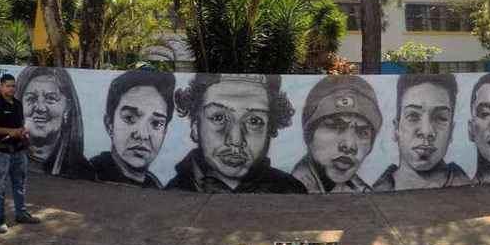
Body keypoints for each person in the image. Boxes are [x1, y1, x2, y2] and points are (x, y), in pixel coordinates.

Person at [166, 74, 306, 193]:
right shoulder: (173, 193)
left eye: (254, 121)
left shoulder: (292, 191)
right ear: (195, 128)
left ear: (270, 129)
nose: (236, 140)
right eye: (218, 118)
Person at [374, 74, 471, 191]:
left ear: (451, 131)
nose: (426, 131)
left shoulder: (469, 191)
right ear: (396, 129)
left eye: (440, 118)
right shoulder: (375, 192)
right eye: (413, 116)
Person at [292, 76, 382, 193]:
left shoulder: (364, 192)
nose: (349, 145)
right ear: (309, 135)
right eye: (335, 126)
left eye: (362, 132)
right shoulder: (293, 191)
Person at [91, 70, 176, 188]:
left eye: (156, 123)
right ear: (109, 124)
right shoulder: (89, 175)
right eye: (129, 118)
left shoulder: (154, 186)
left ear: (165, 132)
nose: (142, 134)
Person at [0, 73, 41, 233]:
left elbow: (19, 126)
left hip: (19, 152)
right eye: (8, 85)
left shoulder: (18, 104)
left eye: (13, 85)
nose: (11, 88)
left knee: (20, 184)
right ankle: (0, 220)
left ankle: (21, 214)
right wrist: (9, 131)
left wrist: (25, 139)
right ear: (1, 86)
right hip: (2, 152)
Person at [15, 67, 94, 180]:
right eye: (31, 98)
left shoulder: (82, 171)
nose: (40, 108)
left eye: (50, 98)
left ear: (67, 107)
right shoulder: (5, 158)